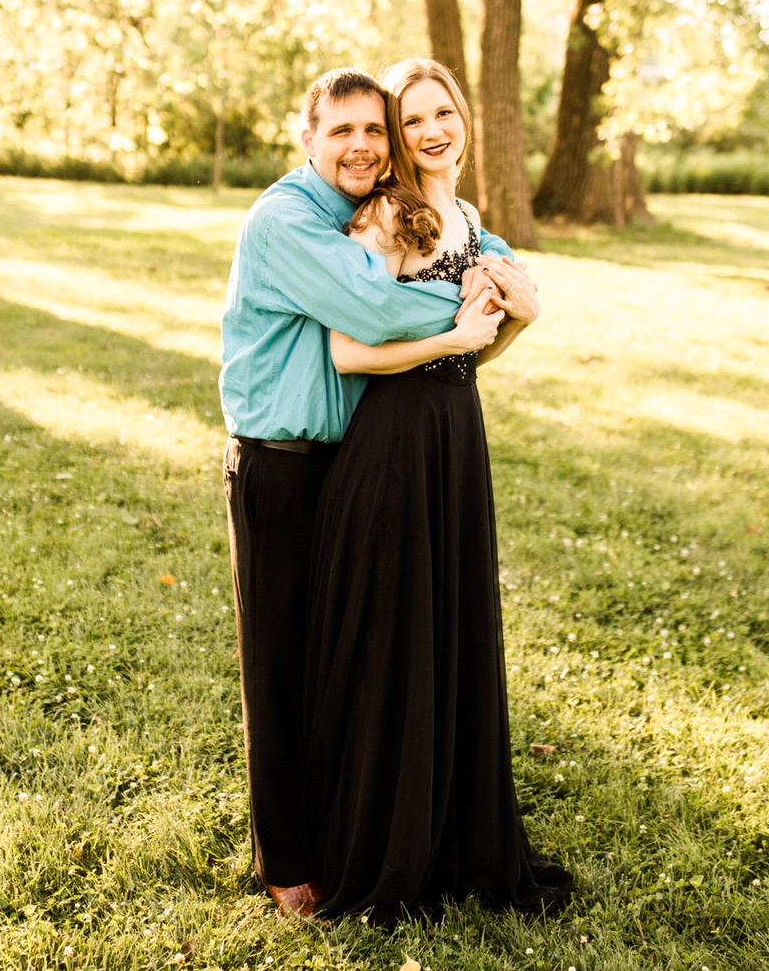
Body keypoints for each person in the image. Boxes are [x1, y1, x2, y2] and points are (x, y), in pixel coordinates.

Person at [218, 66, 532, 918]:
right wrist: (476, 303)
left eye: (372, 131)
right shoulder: (289, 219)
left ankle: (348, 827)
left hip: (347, 458)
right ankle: (287, 861)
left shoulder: (365, 207)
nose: (361, 147)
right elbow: (374, 309)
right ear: (308, 139)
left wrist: (500, 273)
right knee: (281, 665)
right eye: (342, 132)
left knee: (344, 657)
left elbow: (457, 240)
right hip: (281, 463)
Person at [302, 58, 570, 924]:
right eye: (411, 119)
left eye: (441, 112)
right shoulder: (386, 216)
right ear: (398, 135)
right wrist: (451, 337)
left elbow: (473, 349)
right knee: (398, 643)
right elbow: (350, 351)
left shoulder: (472, 221)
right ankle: (387, 847)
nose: (430, 131)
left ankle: (456, 833)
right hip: (394, 446)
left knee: (451, 630)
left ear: (464, 120)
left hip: (457, 436)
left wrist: (515, 322)